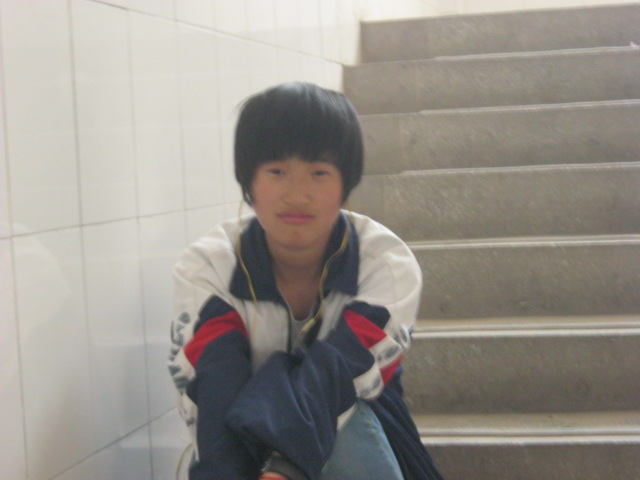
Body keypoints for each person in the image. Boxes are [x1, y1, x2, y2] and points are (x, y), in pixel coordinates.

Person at [168, 82, 443, 480]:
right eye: (277, 172)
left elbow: (340, 375)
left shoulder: (384, 265)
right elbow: (215, 384)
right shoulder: (209, 267)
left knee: (345, 420)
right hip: (235, 435)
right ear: (249, 183)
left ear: (345, 184)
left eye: (318, 173)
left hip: (356, 432)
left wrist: (284, 469)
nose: (297, 195)